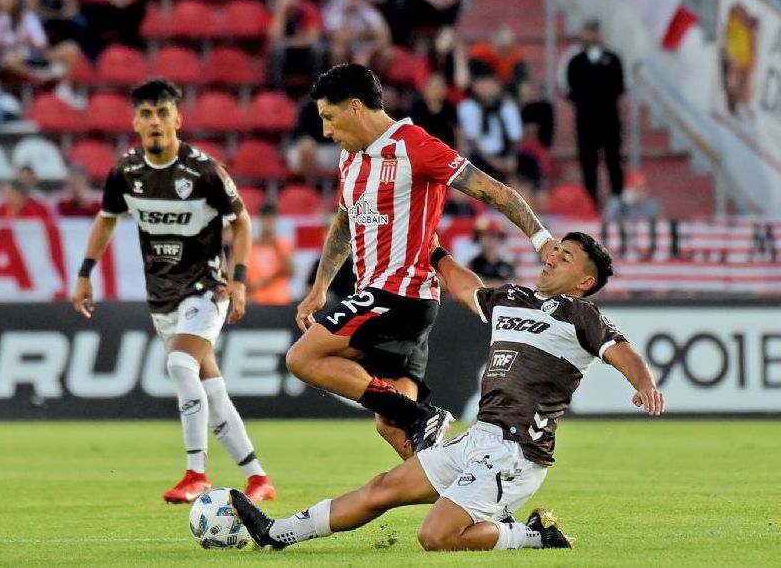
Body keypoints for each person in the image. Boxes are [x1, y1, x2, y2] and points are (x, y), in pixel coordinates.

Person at [229, 231, 664, 552]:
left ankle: (533, 536)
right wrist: (432, 249)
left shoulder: (581, 316)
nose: (551, 259)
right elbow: (465, 286)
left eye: (565, 258)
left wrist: (643, 384)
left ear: (584, 282)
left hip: (517, 453)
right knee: (382, 489)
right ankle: (276, 533)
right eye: (555, 251)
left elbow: (620, 352)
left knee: (434, 536)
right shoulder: (513, 297)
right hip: (479, 437)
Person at [289, 63, 555, 460]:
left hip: (399, 296)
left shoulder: (416, 146)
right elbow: (344, 224)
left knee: (303, 358)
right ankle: (475, 512)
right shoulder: (351, 159)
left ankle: (420, 414)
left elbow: (494, 191)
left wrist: (542, 238)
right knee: (398, 433)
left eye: (329, 117)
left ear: (356, 107)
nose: (326, 131)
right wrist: (319, 288)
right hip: (387, 301)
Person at [70, 78, 276, 504]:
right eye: (146, 114)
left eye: (163, 113)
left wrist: (238, 279)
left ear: (178, 119)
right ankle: (258, 478)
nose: (155, 121)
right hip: (161, 295)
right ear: (135, 122)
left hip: (207, 287)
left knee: (181, 366)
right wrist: (85, 272)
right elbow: (106, 218)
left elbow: (242, 222)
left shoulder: (204, 172)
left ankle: (195, 472)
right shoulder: (126, 172)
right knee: (211, 387)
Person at [566, 19, 626, 208]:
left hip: (609, 119)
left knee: (613, 159)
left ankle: (617, 197)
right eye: (588, 31)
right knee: (588, 160)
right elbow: (569, 88)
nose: (591, 36)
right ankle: (590, 200)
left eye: (595, 31)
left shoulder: (613, 58)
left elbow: (620, 86)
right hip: (585, 120)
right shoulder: (575, 61)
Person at [267, 0, 324, 90]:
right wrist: (282, 13)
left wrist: (288, 42)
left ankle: (315, 89)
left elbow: (313, 37)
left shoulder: (308, 8)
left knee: (318, 48)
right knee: (277, 48)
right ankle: (279, 91)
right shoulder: (276, 12)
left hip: (305, 56)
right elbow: (274, 38)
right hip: (285, 59)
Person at [247, 202, 294, 305]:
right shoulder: (250, 247)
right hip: (256, 301)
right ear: (260, 219)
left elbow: (290, 271)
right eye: (265, 219)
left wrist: (275, 245)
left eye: (271, 219)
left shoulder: (283, 245)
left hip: (279, 300)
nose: (268, 223)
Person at [469, 218, 515, 287]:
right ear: (478, 238)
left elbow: (516, 286)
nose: (489, 239)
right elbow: (476, 287)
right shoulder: (473, 265)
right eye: (485, 235)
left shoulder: (507, 265)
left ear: (500, 238)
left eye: (493, 235)